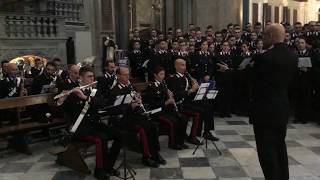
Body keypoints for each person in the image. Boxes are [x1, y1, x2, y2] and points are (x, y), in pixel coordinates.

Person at [250, 23, 297, 180]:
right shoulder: (293, 55)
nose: (262, 38)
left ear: (270, 36)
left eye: (264, 35)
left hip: (265, 111)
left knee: (267, 152)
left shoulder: (265, 58)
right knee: (280, 147)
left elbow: (253, 82)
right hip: (282, 108)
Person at [57, 66, 122, 180]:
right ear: (81, 78)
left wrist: (85, 97)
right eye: (89, 76)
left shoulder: (94, 91)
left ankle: (108, 165)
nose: (92, 79)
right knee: (101, 138)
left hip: (94, 124)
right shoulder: (72, 92)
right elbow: (64, 112)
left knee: (119, 134)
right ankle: (99, 171)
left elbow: (102, 103)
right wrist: (60, 101)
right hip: (80, 127)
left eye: (93, 76)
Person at [108, 67, 166, 168]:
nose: (128, 77)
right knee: (143, 128)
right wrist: (131, 106)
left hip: (134, 116)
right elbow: (114, 110)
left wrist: (139, 101)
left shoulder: (130, 87)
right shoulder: (114, 91)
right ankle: (146, 156)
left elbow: (137, 100)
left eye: (128, 74)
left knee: (152, 125)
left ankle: (155, 153)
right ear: (118, 76)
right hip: (122, 119)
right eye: (125, 75)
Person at [167, 59, 219, 145]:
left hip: (189, 99)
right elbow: (176, 95)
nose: (184, 67)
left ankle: (207, 132)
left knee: (209, 106)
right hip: (181, 102)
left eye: (185, 65)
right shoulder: (172, 78)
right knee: (200, 110)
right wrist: (191, 90)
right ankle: (193, 136)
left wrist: (199, 90)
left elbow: (192, 90)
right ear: (176, 66)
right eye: (182, 65)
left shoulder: (186, 76)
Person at [143, 66, 189, 150]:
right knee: (173, 122)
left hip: (166, 110)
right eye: (161, 74)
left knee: (183, 118)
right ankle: (172, 143)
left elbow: (168, 97)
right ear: (155, 75)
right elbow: (152, 104)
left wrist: (170, 96)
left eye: (164, 74)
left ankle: (180, 142)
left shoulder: (163, 84)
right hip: (157, 112)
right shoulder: (151, 87)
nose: (163, 76)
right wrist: (166, 102)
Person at [0, 63, 30, 154]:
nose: (16, 72)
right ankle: (17, 140)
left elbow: (21, 94)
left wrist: (24, 92)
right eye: (13, 70)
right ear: (8, 71)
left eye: (16, 69)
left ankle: (18, 140)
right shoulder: (2, 82)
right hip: (5, 110)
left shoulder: (19, 81)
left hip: (17, 107)